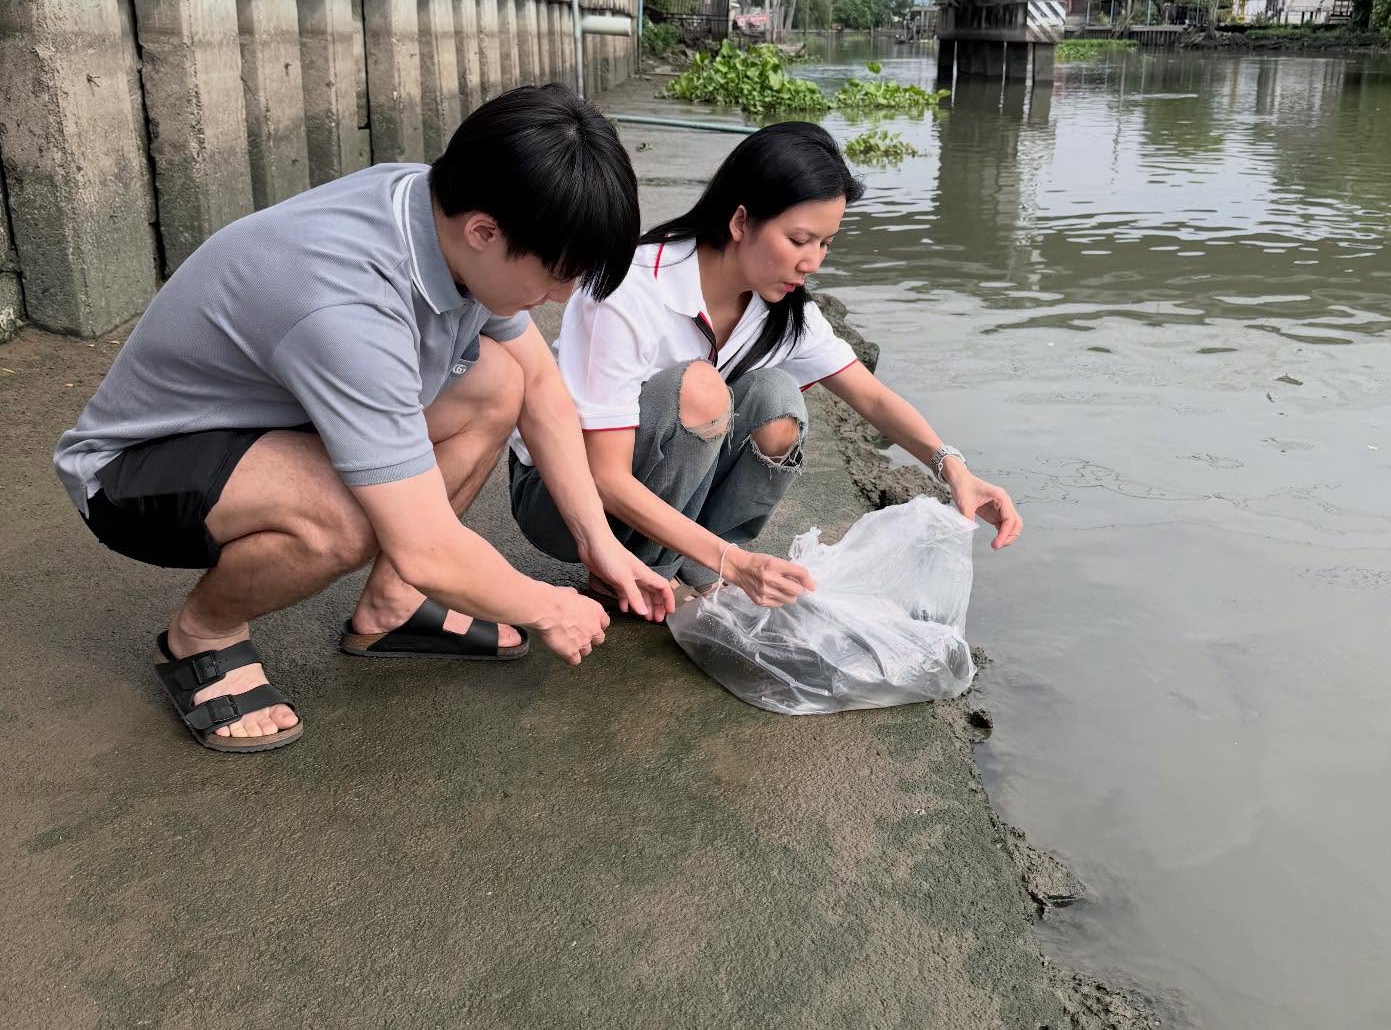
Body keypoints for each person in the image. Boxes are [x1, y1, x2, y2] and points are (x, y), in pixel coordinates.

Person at [54, 85, 675, 754]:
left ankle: (392, 605)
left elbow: (543, 390)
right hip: (137, 465)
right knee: (349, 518)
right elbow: (424, 543)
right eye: (558, 276)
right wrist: (547, 604)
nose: (561, 296)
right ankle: (202, 635)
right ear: (484, 232)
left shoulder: (438, 213)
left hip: (270, 419)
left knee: (500, 380)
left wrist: (597, 542)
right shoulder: (348, 305)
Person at [509, 121, 1023, 610]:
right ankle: (634, 575)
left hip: (659, 490)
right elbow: (603, 475)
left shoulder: (778, 308)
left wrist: (953, 469)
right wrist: (736, 562)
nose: (813, 262)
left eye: (825, 244)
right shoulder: (630, 289)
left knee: (779, 401)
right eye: (799, 241)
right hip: (562, 501)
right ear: (739, 222)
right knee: (703, 390)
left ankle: (697, 572)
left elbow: (870, 396)